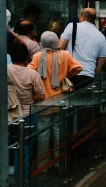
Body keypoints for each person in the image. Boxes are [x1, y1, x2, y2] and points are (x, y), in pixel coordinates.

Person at [0, 40, 45, 187]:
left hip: (4, 116)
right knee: (22, 153)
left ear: (11, 55)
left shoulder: (2, 69)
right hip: (26, 117)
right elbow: (40, 97)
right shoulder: (32, 74)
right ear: (27, 58)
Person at [28, 31, 82, 163]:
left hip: (43, 101)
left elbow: (29, 72)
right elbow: (78, 67)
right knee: (58, 130)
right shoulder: (65, 55)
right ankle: (59, 162)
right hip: (61, 100)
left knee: (43, 133)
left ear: (42, 42)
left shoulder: (37, 56)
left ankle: (43, 164)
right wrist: (66, 76)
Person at [58, 8, 106, 88]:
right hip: (89, 76)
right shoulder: (101, 37)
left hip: (71, 73)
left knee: (67, 99)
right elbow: (100, 64)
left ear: (83, 17)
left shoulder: (72, 27)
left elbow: (60, 47)